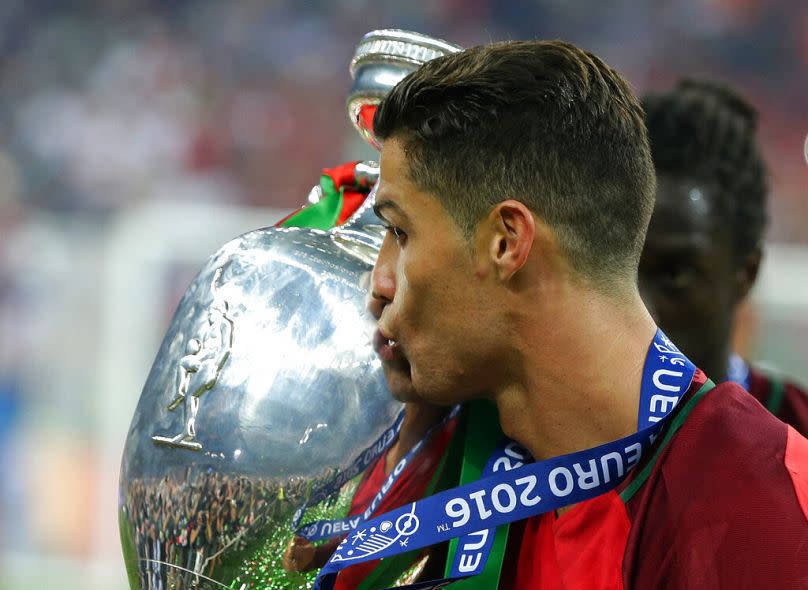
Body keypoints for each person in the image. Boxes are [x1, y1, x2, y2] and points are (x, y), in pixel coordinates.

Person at [366, 40, 808, 588]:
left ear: (507, 242)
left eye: (401, 232)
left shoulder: (751, 515)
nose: (379, 283)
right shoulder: (469, 461)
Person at [639, 79, 808, 435]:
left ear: (746, 273)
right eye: (619, 268)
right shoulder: (525, 446)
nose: (640, 309)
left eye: (674, 276)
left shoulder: (797, 438)